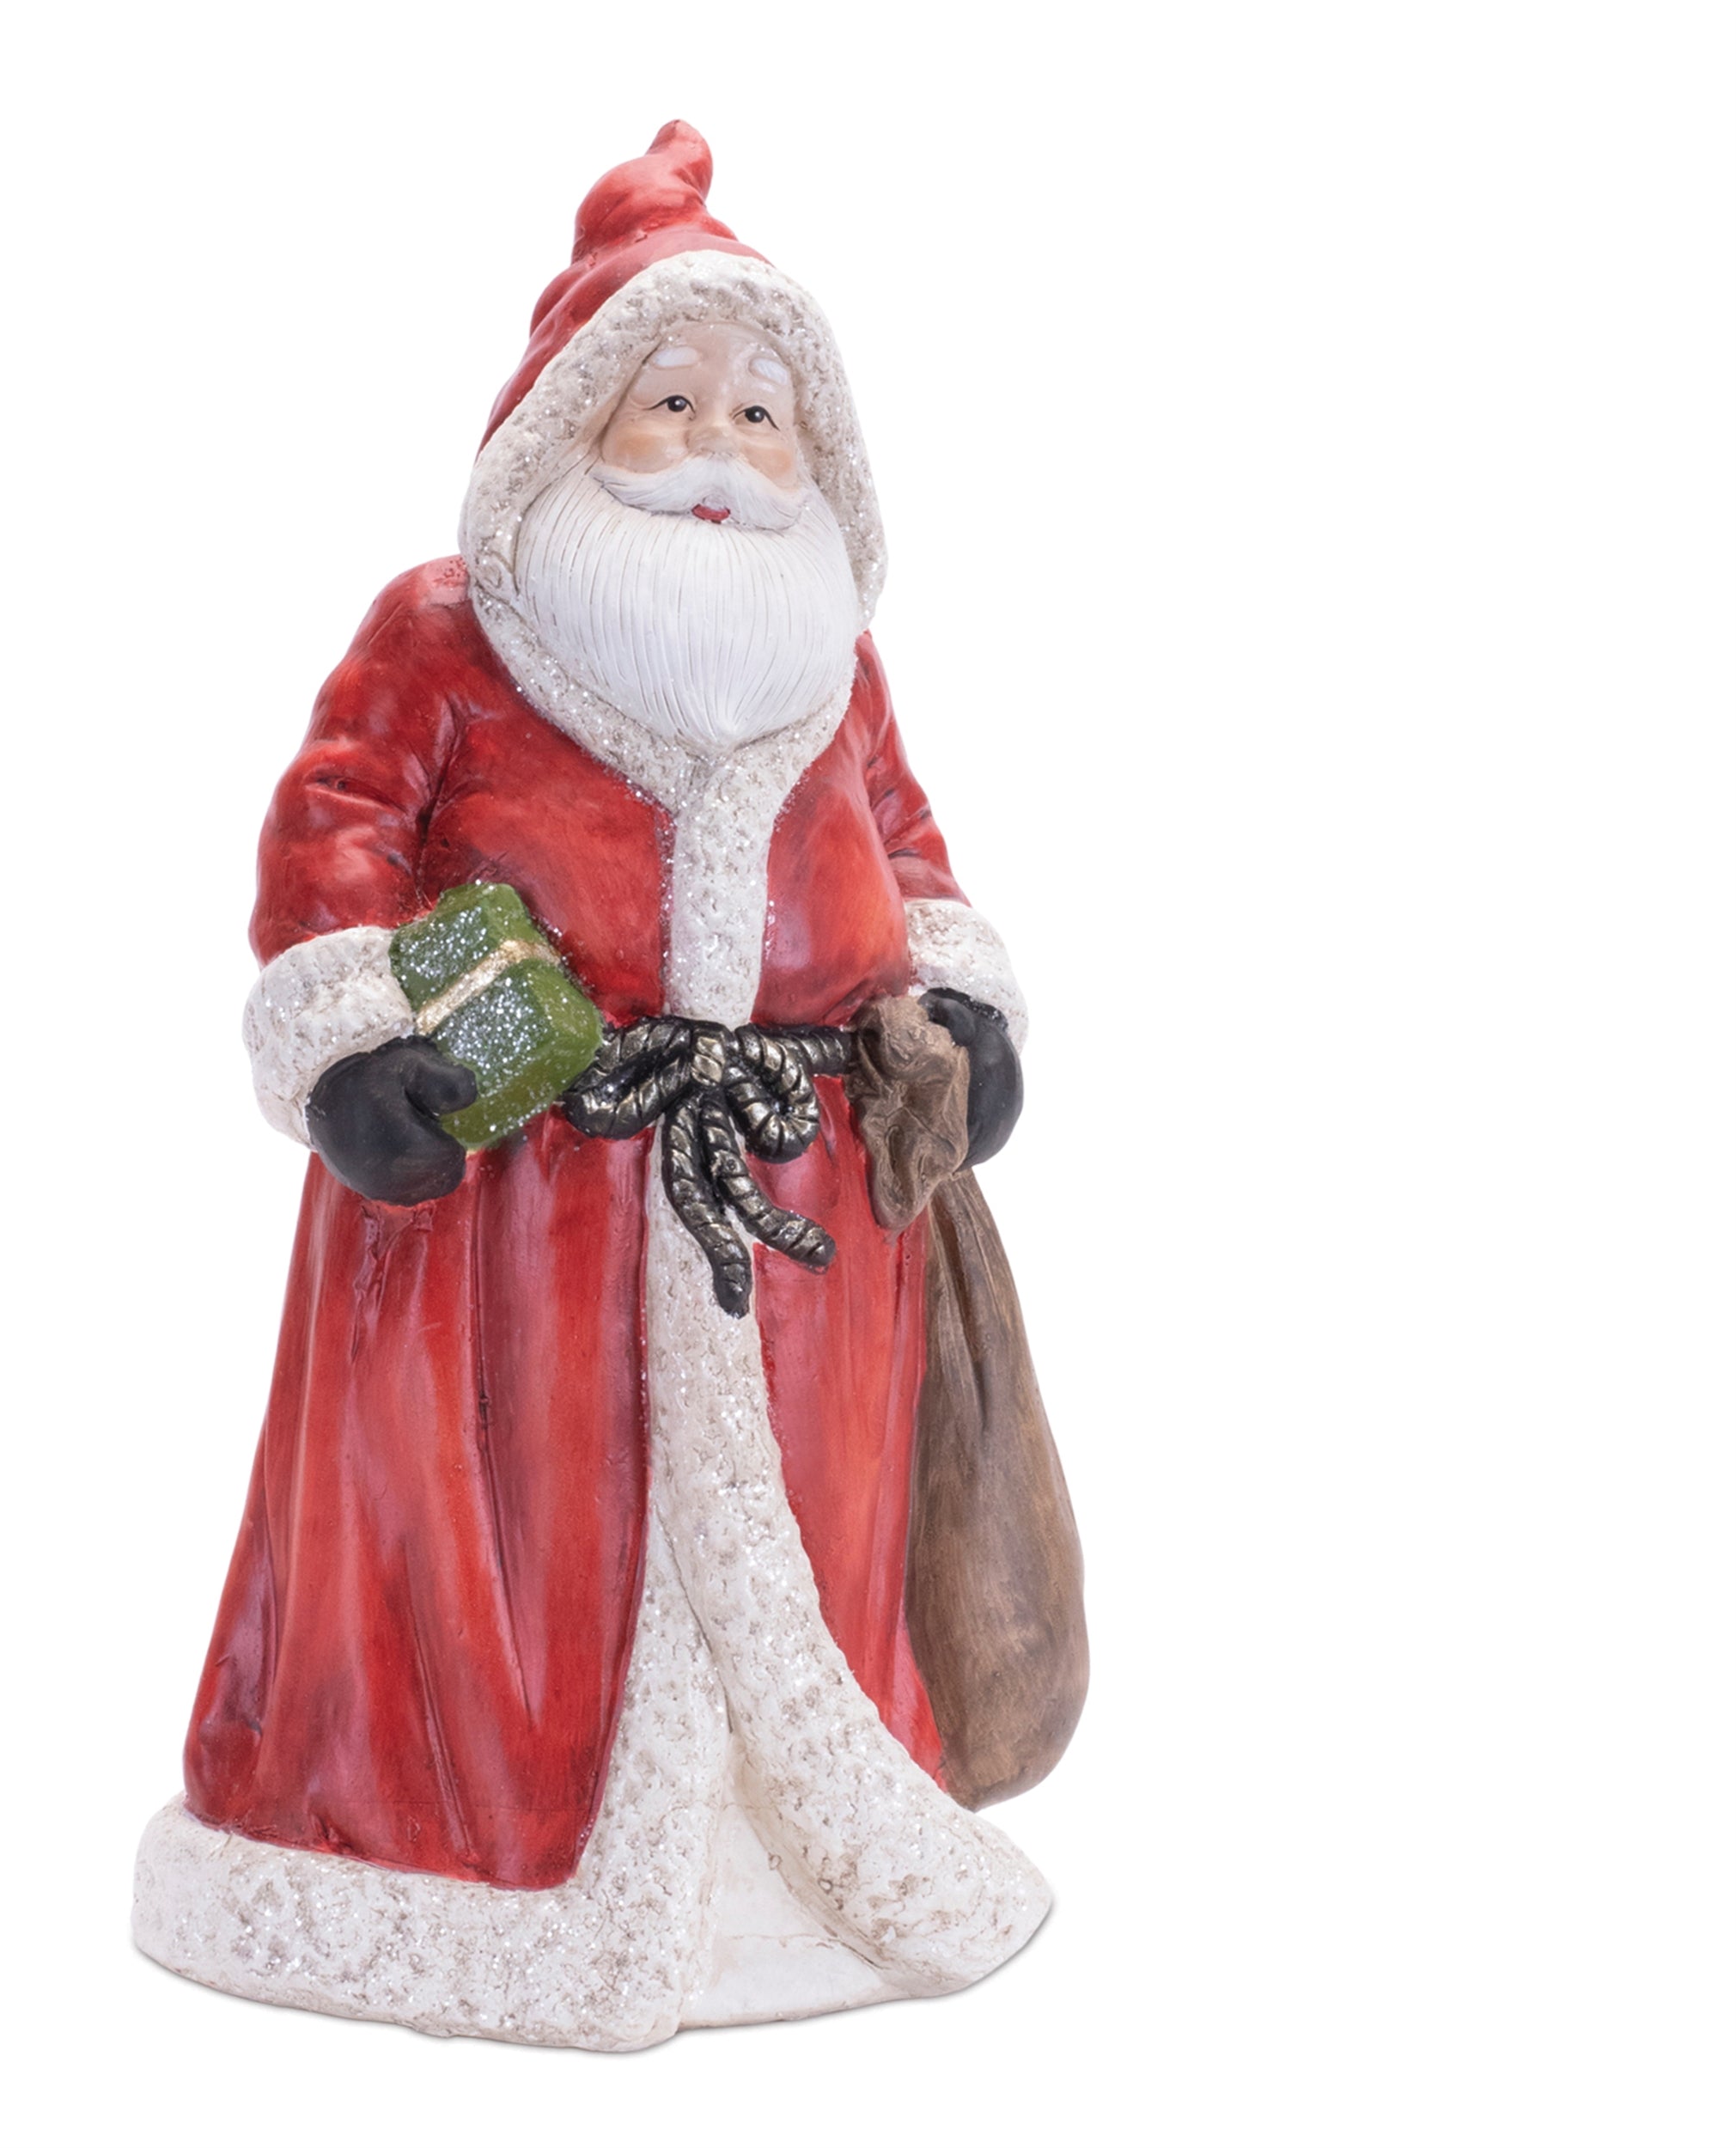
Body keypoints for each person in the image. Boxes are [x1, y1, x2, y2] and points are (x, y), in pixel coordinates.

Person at [133, 122, 1076, 2051]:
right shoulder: (445, 632)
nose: (721, 446)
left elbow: (904, 849)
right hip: (514, 1209)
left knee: (810, 1527)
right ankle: (475, 1866)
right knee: (518, 1554)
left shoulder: (833, 667)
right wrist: (351, 1043)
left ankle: (782, 1847)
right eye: (672, 400)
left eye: (761, 409)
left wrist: (958, 1004)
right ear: (572, 422)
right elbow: (336, 824)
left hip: (804, 1215)